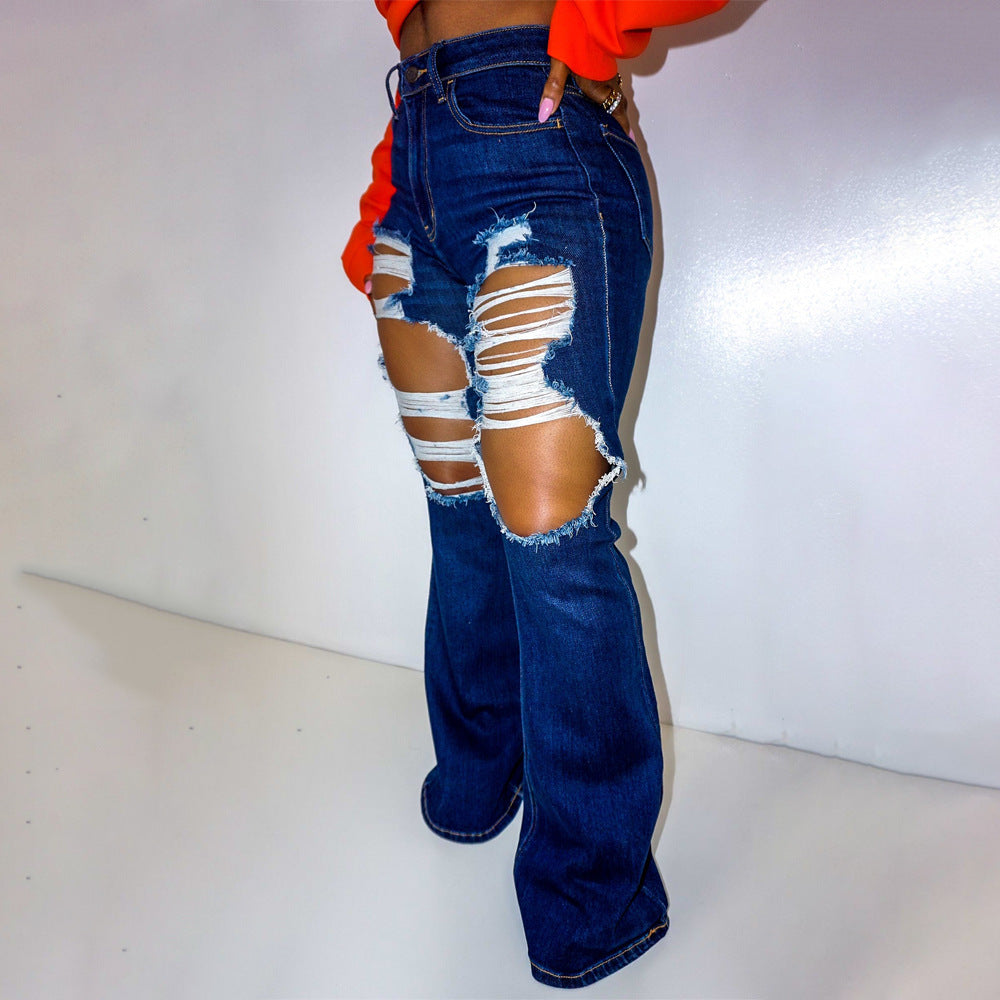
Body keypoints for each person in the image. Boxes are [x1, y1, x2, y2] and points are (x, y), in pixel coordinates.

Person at [342, 1, 728, 988]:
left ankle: (588, 905)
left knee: (554, 542)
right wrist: (394, 186)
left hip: (535, 146)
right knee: (459, 513)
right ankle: (479, 778)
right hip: (416, 158)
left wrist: (589, 23)